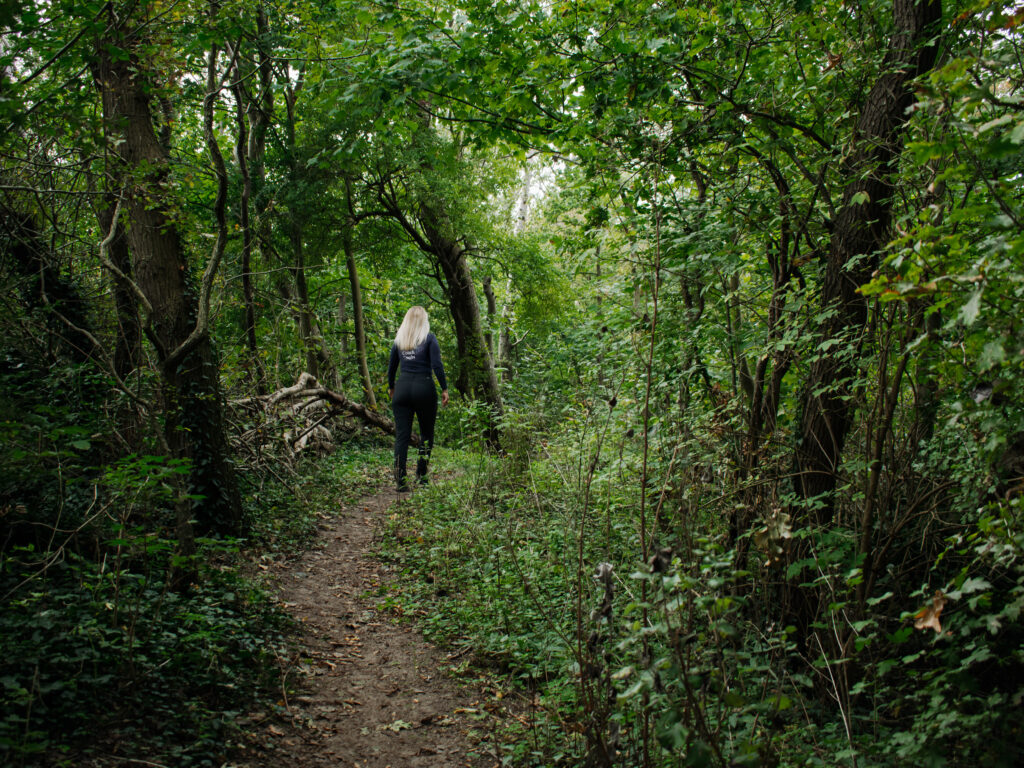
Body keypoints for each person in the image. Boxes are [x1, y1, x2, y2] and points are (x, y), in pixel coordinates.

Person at [387, 306, 449, 492]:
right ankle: (421, 476)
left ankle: (400, 480)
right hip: (424, 389)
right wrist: (444, 388)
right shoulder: (429, 338)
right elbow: (437, 365)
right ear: (424, 320)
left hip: (403, 389)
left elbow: (391, 368)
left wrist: (392, 387)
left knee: (402, 435)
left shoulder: (399, 341)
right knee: (426, 434)